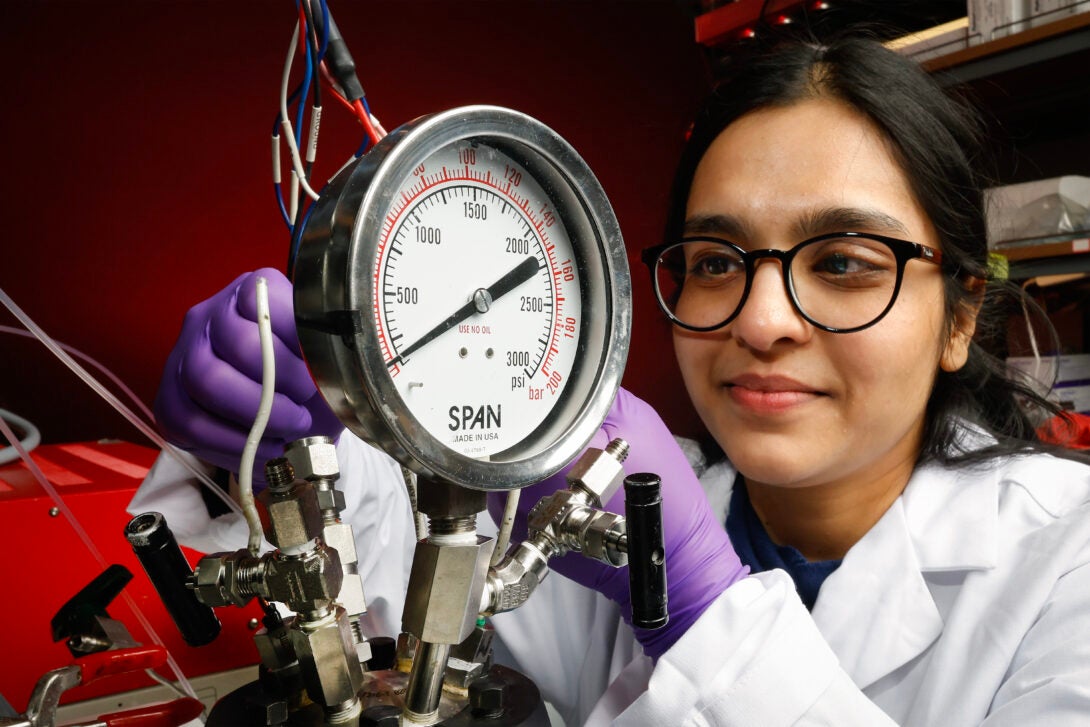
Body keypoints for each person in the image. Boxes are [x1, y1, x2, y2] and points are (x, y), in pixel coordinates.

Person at [135, 34, 1090, 725]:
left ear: (961, 314)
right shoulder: (607, 501)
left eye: (842, 263)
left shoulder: (1068, 561)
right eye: (716, 260)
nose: (761, 322)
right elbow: (389, 554)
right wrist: (280, 427)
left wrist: (707, 611)